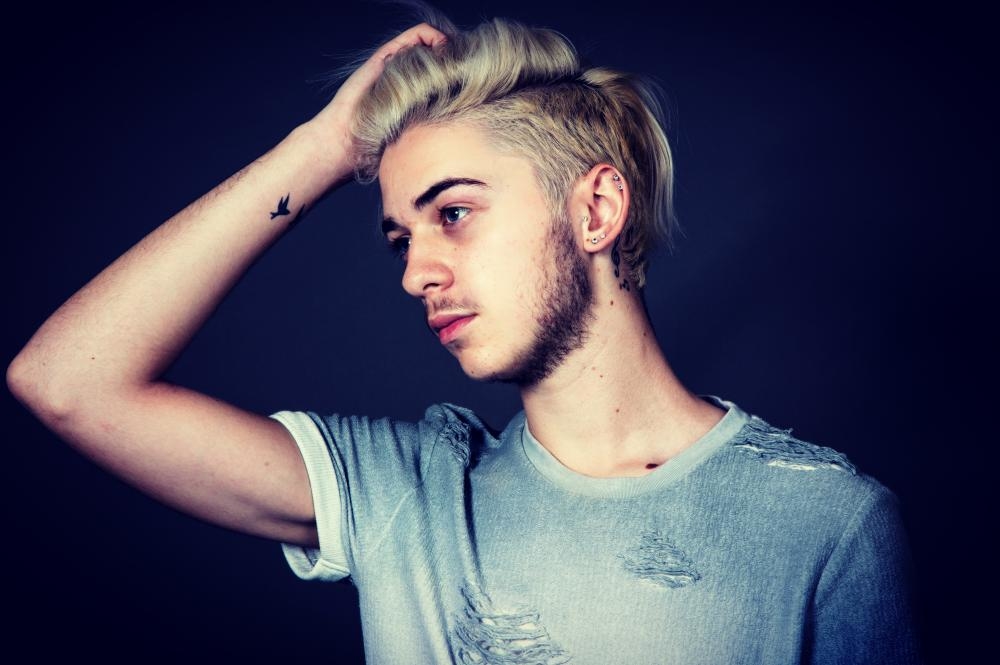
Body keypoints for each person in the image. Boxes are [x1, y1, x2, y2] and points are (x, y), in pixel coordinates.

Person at [7, 8, 919, 664]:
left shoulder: (825, 522)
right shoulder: (405, 495)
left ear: (596, 208)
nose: (415, 272)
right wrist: (322, 150)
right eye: (400, 238)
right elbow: (67, 380)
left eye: (452, 213)